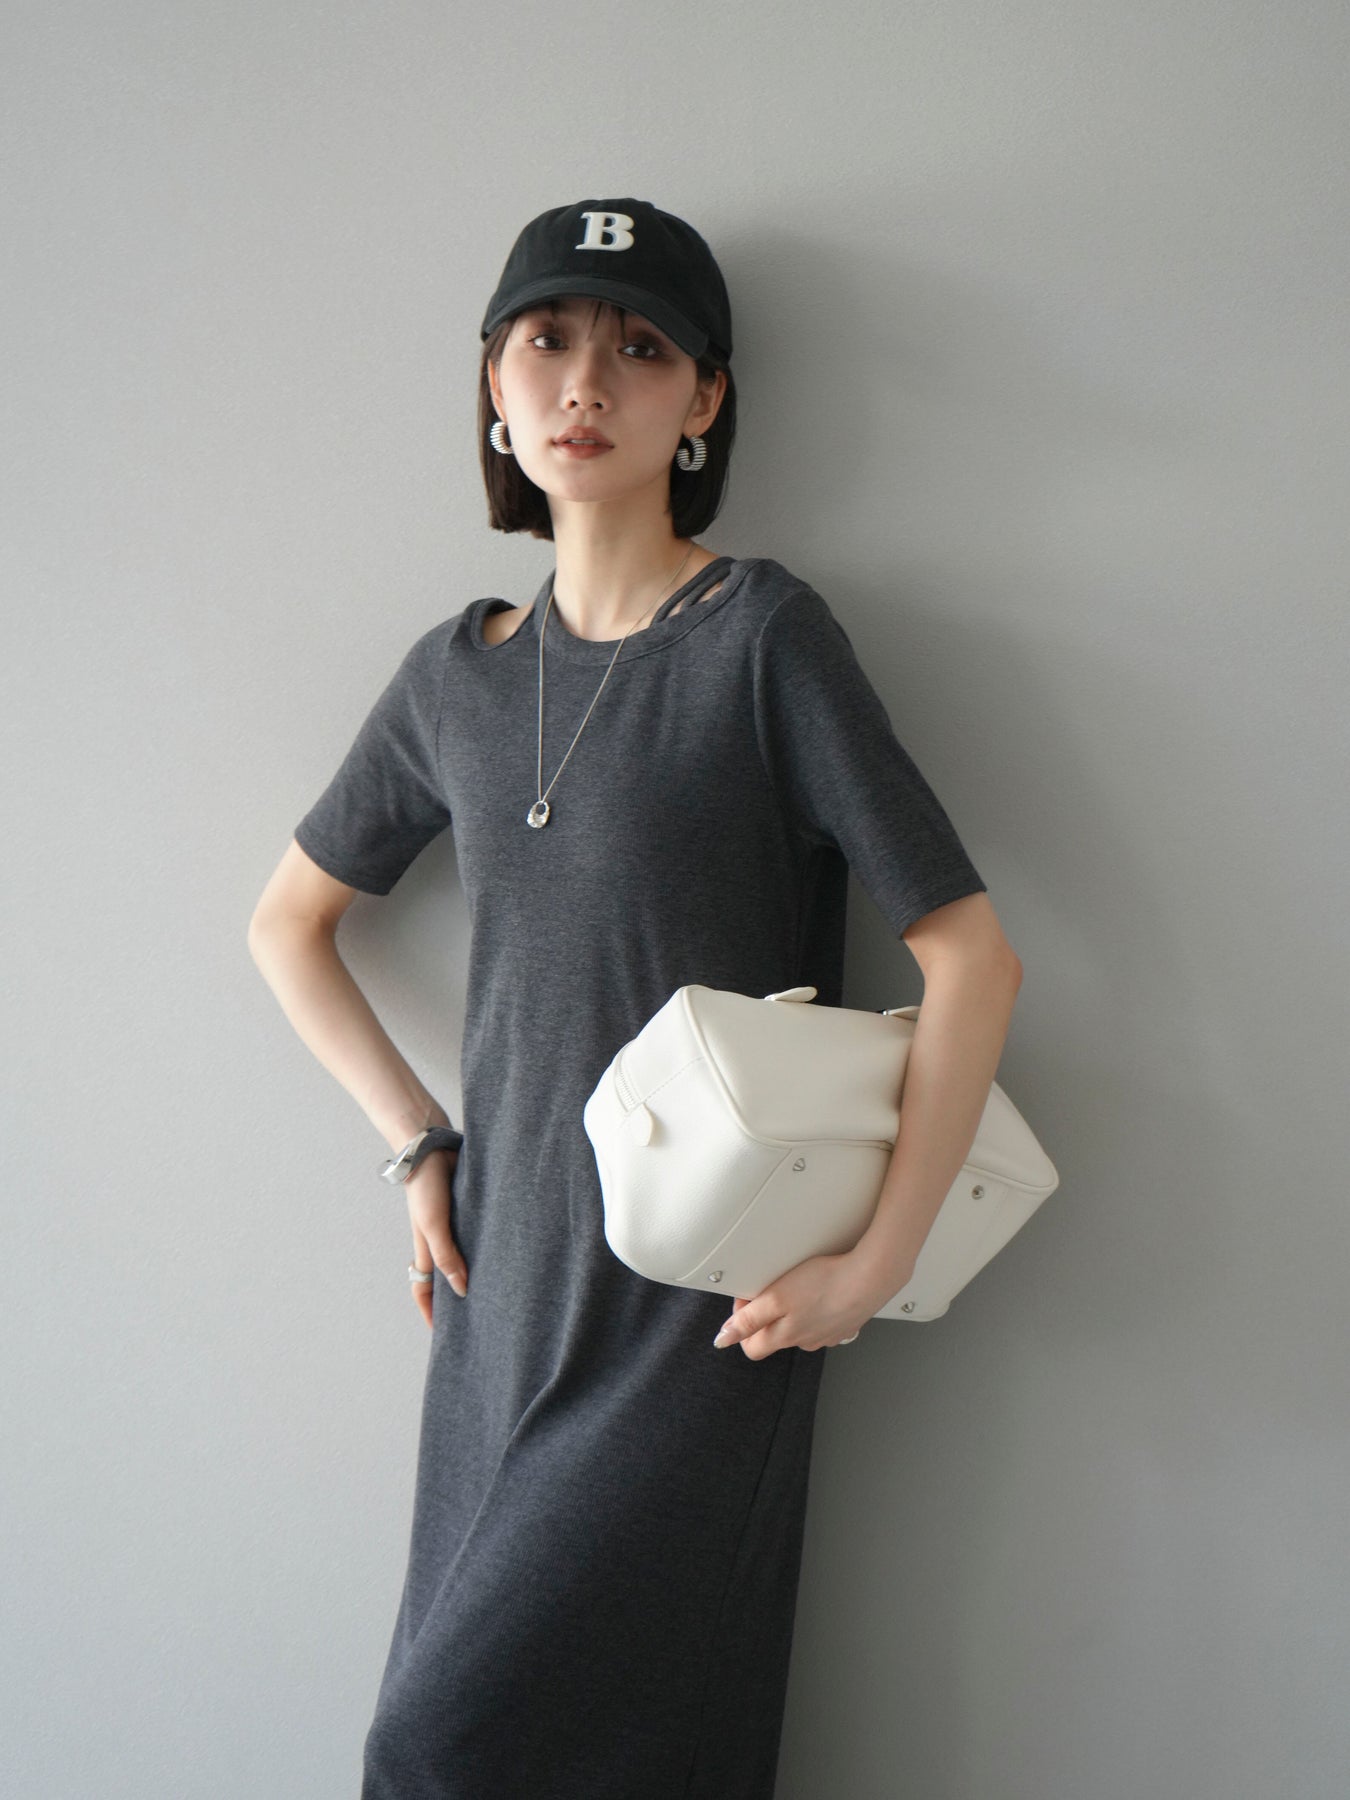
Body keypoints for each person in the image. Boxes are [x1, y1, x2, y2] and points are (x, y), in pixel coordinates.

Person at [247, 197, 1023, 1799]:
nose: (585, 383)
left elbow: (971, 956)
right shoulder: (456, 676)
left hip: (699, 1307)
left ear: (703, 400)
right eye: (546, 340)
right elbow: (288, 927)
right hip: (501, 1291)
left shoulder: (761, 639)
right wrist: (417, 1144)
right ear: (493, 382)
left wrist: (872, 1268)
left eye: (641, 348)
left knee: (439, 1747)